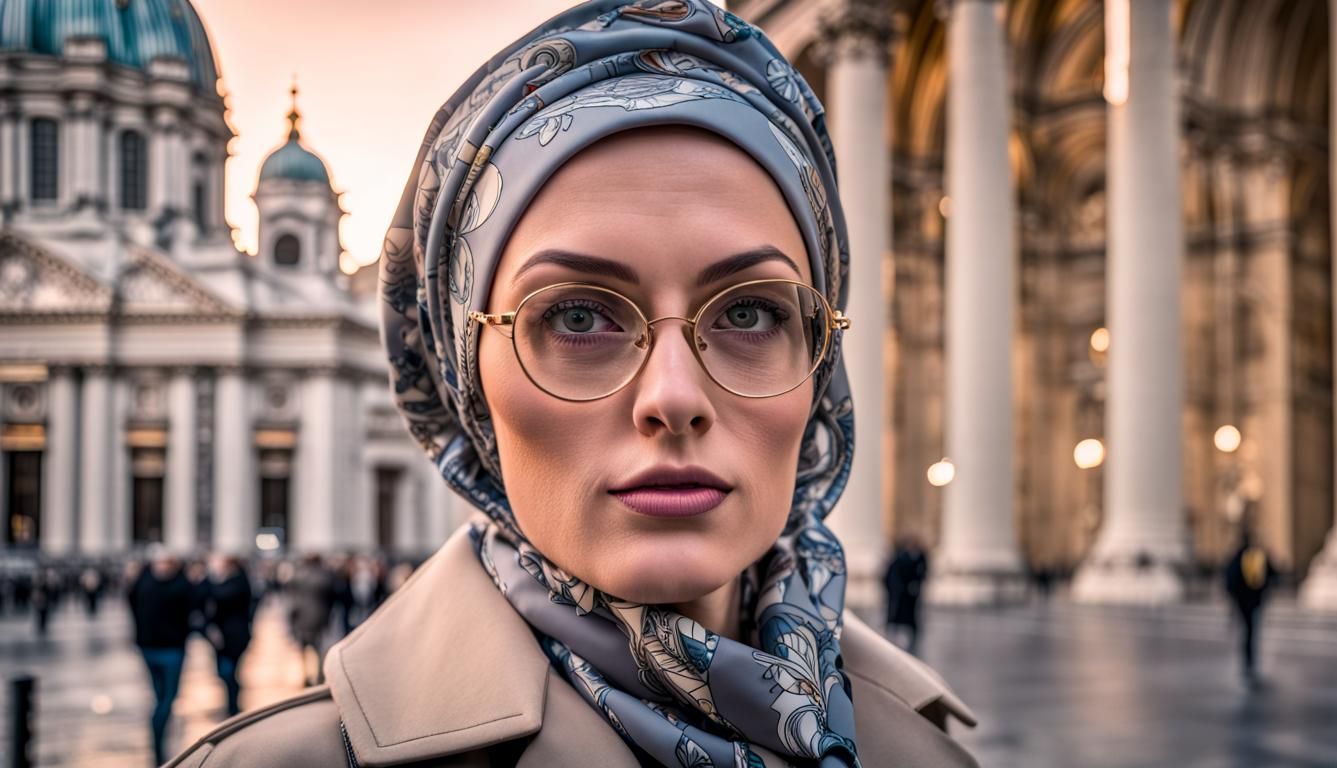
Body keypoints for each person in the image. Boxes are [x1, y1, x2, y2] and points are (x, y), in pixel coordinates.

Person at [167, 3, 977, 766]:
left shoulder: (927, 747)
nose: (673, 398)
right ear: (465, 381)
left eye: (752, 314)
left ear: (821, 361)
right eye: (580, 318)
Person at [127, 547, 193, 766]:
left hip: (151, 647)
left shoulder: (144, 582)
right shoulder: (180, 585)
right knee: (167, 698)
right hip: (167, 649)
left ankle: (158, 729)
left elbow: (131, 603)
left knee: (161, 696)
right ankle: (158, 726)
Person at [1224, 528, 1276, 682]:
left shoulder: (1237, 557)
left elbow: (1229, 580)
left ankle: (1248, 661)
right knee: (1251, 631)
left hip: (1242, 601)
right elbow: (1271, 574)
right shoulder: (1256, 556)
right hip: (1254, 601)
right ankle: (1250, 661)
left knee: (1248, 631)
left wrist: (1232, 599)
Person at [206, 554, 254, 717]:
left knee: (228, 671)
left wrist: (211, 578)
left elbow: (220, 595)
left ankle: (233, 706)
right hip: (222, 636)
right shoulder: (227, 581)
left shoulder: (239, 581)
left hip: (234, 636)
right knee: (225, 672)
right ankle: (232, 703)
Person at [288, 554, 336, 686]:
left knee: (304, 648)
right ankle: (319, 675)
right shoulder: (324, 576)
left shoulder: (298, 575)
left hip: (302, 617)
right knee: (318, 648)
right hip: (318, 616)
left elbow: (292, 600)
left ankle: (305, 675)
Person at [884, 536, 929, 654]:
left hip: (910, 594)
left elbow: (922, 572)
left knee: (909, 617)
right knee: (898, 616)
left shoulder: (917, 557)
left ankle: (908, 637)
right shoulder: (900, 558)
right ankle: (896, 636)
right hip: (901, 594)